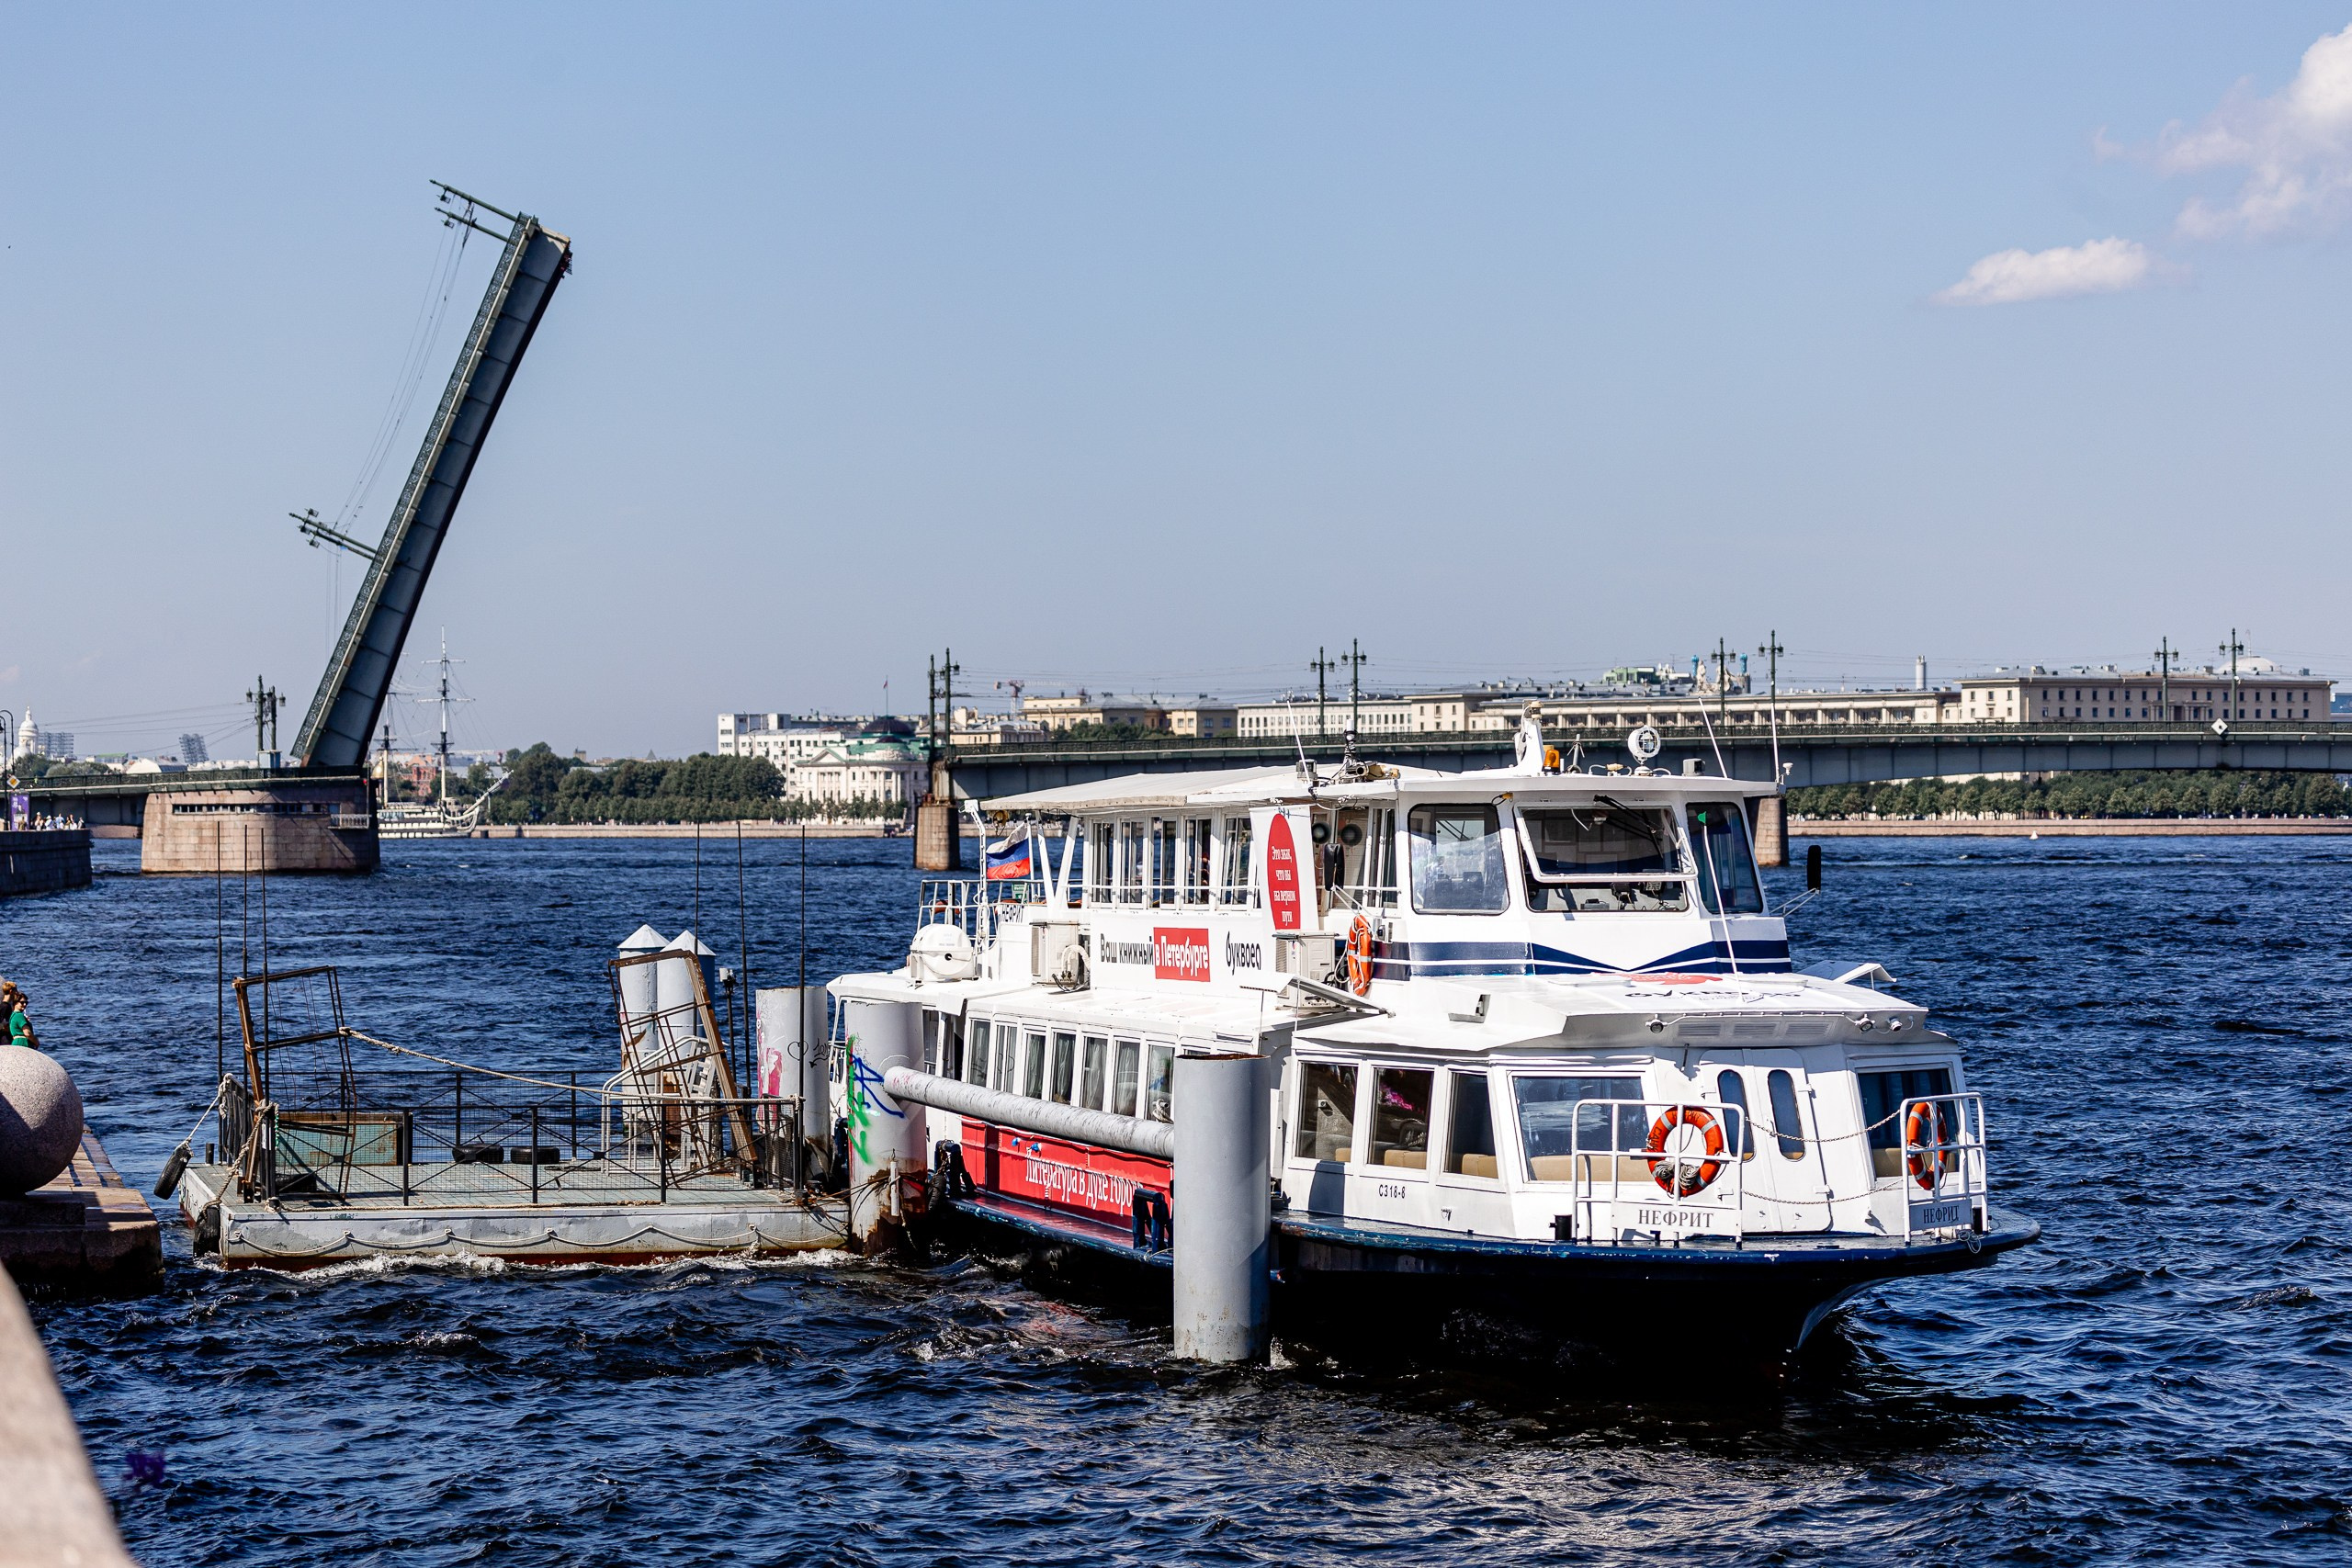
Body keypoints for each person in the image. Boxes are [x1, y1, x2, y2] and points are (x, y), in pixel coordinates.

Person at [1, 982, 35, 1050]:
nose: (16, 992)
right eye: (16, 990)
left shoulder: (7, 1006)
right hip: (5, 1040)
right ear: (11, 991)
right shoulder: (5, 1006)